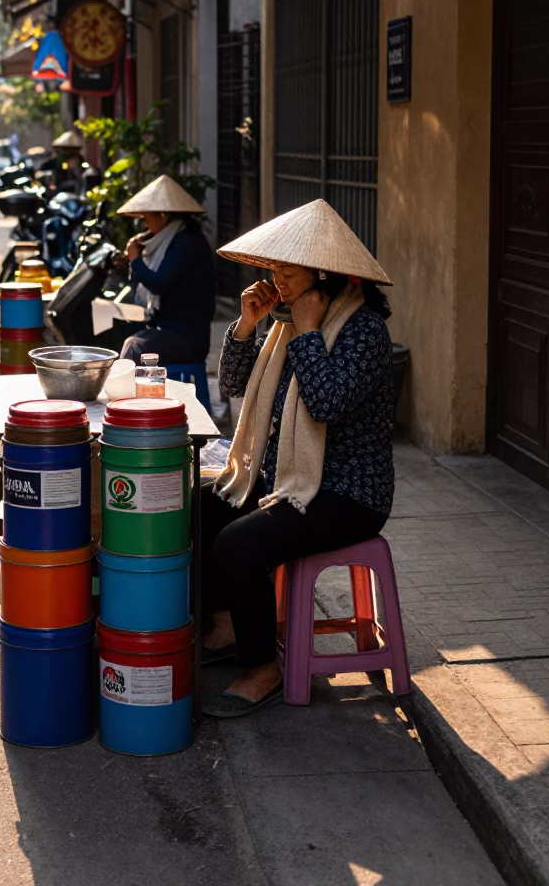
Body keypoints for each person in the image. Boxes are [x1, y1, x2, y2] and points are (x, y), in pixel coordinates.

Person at [200, 199, 394, 719]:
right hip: (286, 479)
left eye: (288, 273)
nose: (278, 284)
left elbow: (327, 403)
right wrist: (246, 325)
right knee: (199, 508)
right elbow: (236, 388)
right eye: (274, 272)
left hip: (346, 493)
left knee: (239, 544)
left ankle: (263, 667)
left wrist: (309, 334)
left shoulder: (363, 331)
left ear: (325, 275)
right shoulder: (286, 322)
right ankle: (226, 625)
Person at [116, 174, 215, 365]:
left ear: (164, 215)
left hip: (187, 337)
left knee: (135, 347)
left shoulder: (187, 242)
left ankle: (129, 395)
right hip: (164, 327)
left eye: (147, 218)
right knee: (121, 328)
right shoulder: (164, 242)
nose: (145, 224)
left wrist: (136, 260)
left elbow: (159, 284)